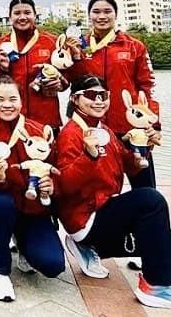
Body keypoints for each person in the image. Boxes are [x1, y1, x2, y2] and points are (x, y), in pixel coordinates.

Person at [56, 75, 170, 308]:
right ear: (75, 100)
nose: (98, 101)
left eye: (103, 96)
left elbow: (129, 165)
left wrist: (141, 149)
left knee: (163, 239)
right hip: (85, 219)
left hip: (103, 209)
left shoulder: (102, 129)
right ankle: (154, 286)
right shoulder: (72, 134)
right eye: (91, 96)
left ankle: (89, 248)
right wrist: (88, 156)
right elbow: (63, 186)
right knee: (151, 200)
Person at [0, 76, 65, 302]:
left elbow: (57, 171)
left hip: (33, 208)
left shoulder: (39, 130)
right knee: (1, 201)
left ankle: (22, 240)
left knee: (52, 265)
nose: (7, 105)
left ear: (22, 101)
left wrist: (51, 186)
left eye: (13, 99)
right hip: (0, 206)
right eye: (0, 99)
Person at [66, 0, 160, 189]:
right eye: (96, 11)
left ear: (116, 15)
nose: (102, 16)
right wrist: (75, 59)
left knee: (145, 188)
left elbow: (147, 87)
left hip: (132, 128)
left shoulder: (134, 46)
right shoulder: (79, 46)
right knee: (101, 189)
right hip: (93, 129)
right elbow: (74, 84)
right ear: (89, 15)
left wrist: (153, 124)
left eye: (107, 11)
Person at [0, 0, 65, 133]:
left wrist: (60, 83)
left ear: (35, 15)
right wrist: (3, 69)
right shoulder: (0, 44)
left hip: (46, 118)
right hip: (11, 117)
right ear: (10, 17)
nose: (22, 17)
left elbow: (67, 77)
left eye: (27, 13)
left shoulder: (52, 42)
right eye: (17, 13)